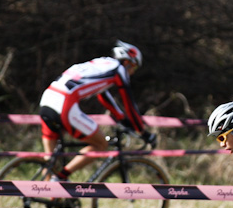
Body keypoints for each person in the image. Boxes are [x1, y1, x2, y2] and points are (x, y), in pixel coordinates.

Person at [38, 40, 156, 182]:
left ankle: (50, 197)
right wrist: (142, 131)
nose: (132, 73)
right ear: (128, 62)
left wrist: (121, 119)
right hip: (65, 102)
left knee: (49, 158)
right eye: (134, 68)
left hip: (48, 97)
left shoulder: (100, 63)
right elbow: (129, 104)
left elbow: (103, 97)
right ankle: (61, 178)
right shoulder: (119, 69)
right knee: (101, 144)